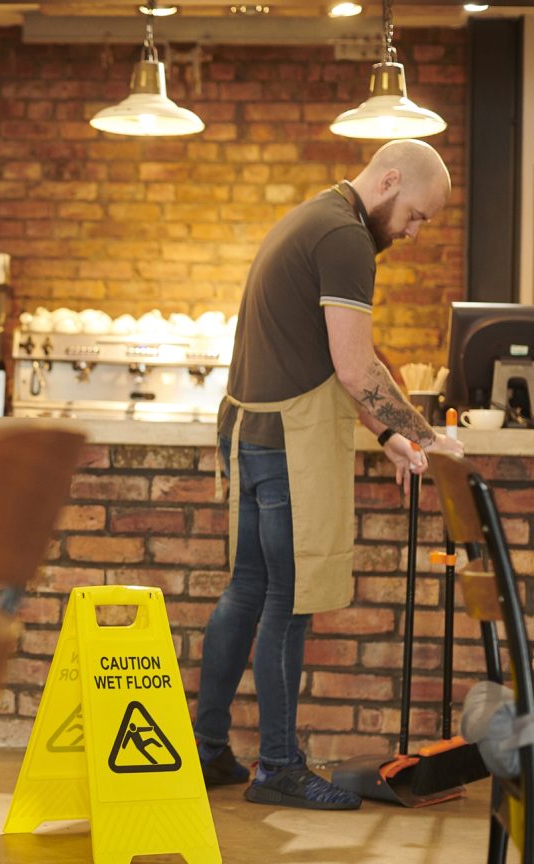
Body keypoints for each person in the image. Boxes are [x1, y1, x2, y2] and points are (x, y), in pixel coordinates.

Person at [196, 139, 465, 810]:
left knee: (246, 592)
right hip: (286, 445)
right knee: (288, 603)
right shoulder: (345, 237)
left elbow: (327, 361)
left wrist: (387, 435)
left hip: (253, 436)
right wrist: (428, 439)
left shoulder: (315, 216)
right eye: (417, 215)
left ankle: (207, 750)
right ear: (390, 181)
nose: (414, 232)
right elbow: (356, 368)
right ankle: (279, 767)